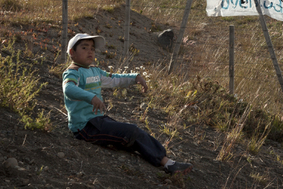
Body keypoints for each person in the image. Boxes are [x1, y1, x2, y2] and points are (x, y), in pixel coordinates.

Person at [62, 33, 192, 175]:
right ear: (72, 52)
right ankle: (168, 164)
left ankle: (168, 162)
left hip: (98, 120)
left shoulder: (94, 70)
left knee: (133, 132)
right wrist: (91, 97)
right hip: (85, 128)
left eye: (92, 48)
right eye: (84, 47)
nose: (90, 51)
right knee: (131, 131)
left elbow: (114, 79)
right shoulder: (73, 72)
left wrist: (134, 77)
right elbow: (69, 88)